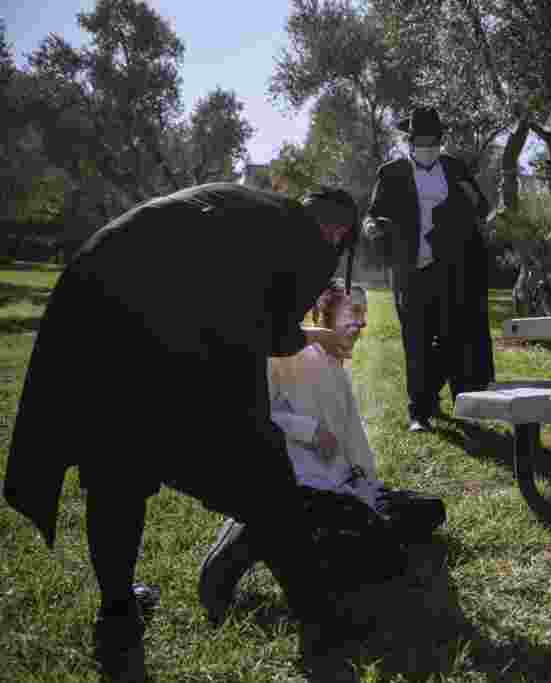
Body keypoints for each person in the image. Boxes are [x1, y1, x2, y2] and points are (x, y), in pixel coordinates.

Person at [3, 182, 363, 680]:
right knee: (263, 473)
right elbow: (270, 332)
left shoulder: (258, 208)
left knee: (116, 468)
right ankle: (318, 617)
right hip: (163, 318)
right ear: (335, 232)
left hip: (95, 293)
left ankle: (117, 611)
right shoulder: (303, 240)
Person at [198, 280, 446, 626]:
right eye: (354, 313)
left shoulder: (335, 366)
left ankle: (324, 533)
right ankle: (251, 532)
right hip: (301, 484)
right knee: (386, 557)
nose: (361, 324)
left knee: (430, 512)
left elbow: (353, 444)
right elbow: (257, 413)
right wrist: (310, 430)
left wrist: (370, 489)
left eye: (364, 314)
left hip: (343, 484)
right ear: (322, 315)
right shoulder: (286, 354)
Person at [361, 107, 494, 433]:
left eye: (432, 140)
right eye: (421, 141)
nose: (427, 146)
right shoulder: (391, 172)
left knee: (452, 338)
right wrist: (372, 228)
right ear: (410, 141)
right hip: (410, 268)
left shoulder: (454, 168)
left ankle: (463, 404)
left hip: (451, 268)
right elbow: (372, 214)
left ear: (439, 140)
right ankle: (419, 411)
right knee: (416, 340)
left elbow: (482, 208)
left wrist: (472, 197)